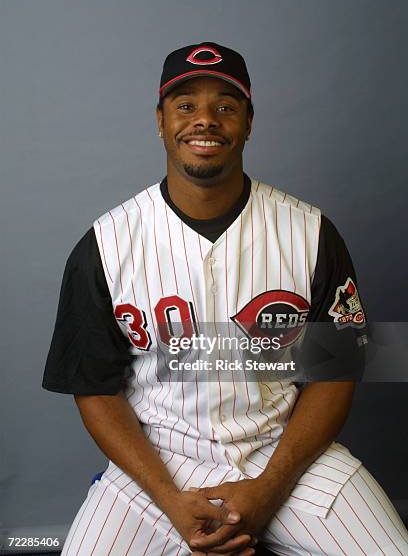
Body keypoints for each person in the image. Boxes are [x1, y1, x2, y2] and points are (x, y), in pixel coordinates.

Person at [43, 42, 408, 555]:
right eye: (186, 105)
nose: (205, 120)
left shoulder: (311, 231)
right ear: (160, 119)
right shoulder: (105, 244)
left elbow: (337, 374)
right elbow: (95, 390)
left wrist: (271, 486)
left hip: (282, 453)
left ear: (249, 122)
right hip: (156, 465)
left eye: (225, 106)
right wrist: (169, 498)